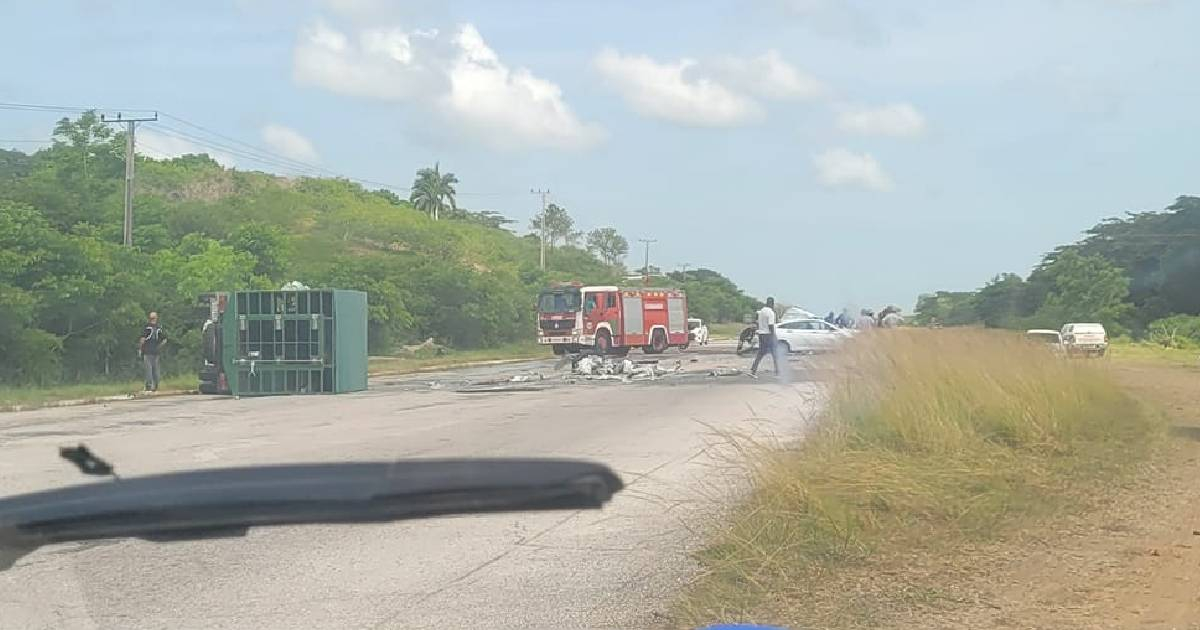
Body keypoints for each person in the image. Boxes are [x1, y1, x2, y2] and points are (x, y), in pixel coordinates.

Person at [139, 311, 168, 392]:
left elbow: (142, 339)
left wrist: (140, 349)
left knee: (148, 369)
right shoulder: (159, 328)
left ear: (149, 318)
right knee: (155, 369)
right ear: (156, 318)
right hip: (156, 352)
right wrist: (159, 347)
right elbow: (165, 340)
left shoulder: (147, 328)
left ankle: (148, 386)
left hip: (147, 351)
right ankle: (156, 385)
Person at [750, 297, 778, 377]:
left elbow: (758, 323)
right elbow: (770, 325)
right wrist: (773, 335)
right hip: (768, 334)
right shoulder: (770, 313)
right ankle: (778, 371)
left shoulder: (761, 311)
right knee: (775, 353)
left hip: (761, 334)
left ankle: (753, 369)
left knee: (761, 353)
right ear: (772, 304)